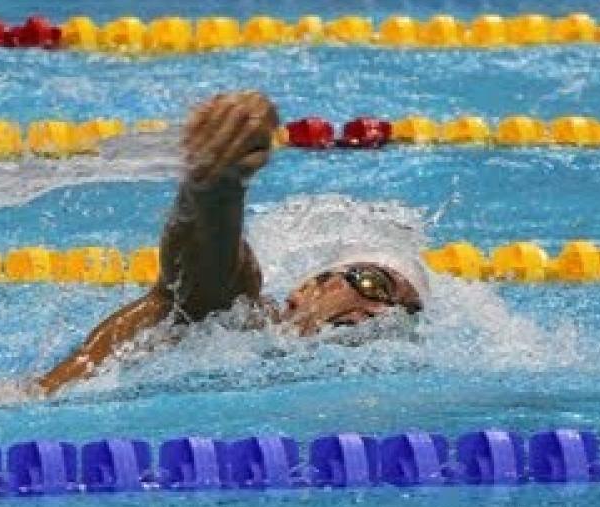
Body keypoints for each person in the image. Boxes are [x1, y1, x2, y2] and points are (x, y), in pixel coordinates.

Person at [36, 91, 430, 396]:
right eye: (375, 284)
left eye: (406, 313)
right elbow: (205, 265)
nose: (382, 312)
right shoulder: (238, 317)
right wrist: (218, 183)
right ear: (307, 287)